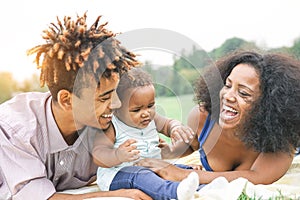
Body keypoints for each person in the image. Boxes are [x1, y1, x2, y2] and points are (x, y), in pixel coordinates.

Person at [0, 12, 153, 200]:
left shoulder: (104, 126)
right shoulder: (15, 129)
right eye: (104, 98)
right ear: (66, 100)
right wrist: (113, 196)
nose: (116, 103)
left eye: (115, 93)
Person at [135, 50, 300, 186]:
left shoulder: (280, 139)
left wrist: (181, 174)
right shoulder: (202, 117)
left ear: (269, 104)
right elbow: (194, 145)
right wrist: (168, 152)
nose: (228, 96)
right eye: (227, 85)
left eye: (243, 93)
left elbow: (257, 177)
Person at [92, 68, 199, 200]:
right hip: (119, 174)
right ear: (118, 108)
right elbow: (98, 155)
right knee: (142, 176)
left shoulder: (151, 119)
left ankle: (198, 185)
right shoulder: (112, 126)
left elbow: (167, 124)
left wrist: (175, 127)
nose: (146, 113)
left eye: (150, 106)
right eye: (136, 110)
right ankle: (174, 192)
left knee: (176, 169)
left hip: (152, 167)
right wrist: (117, 155)